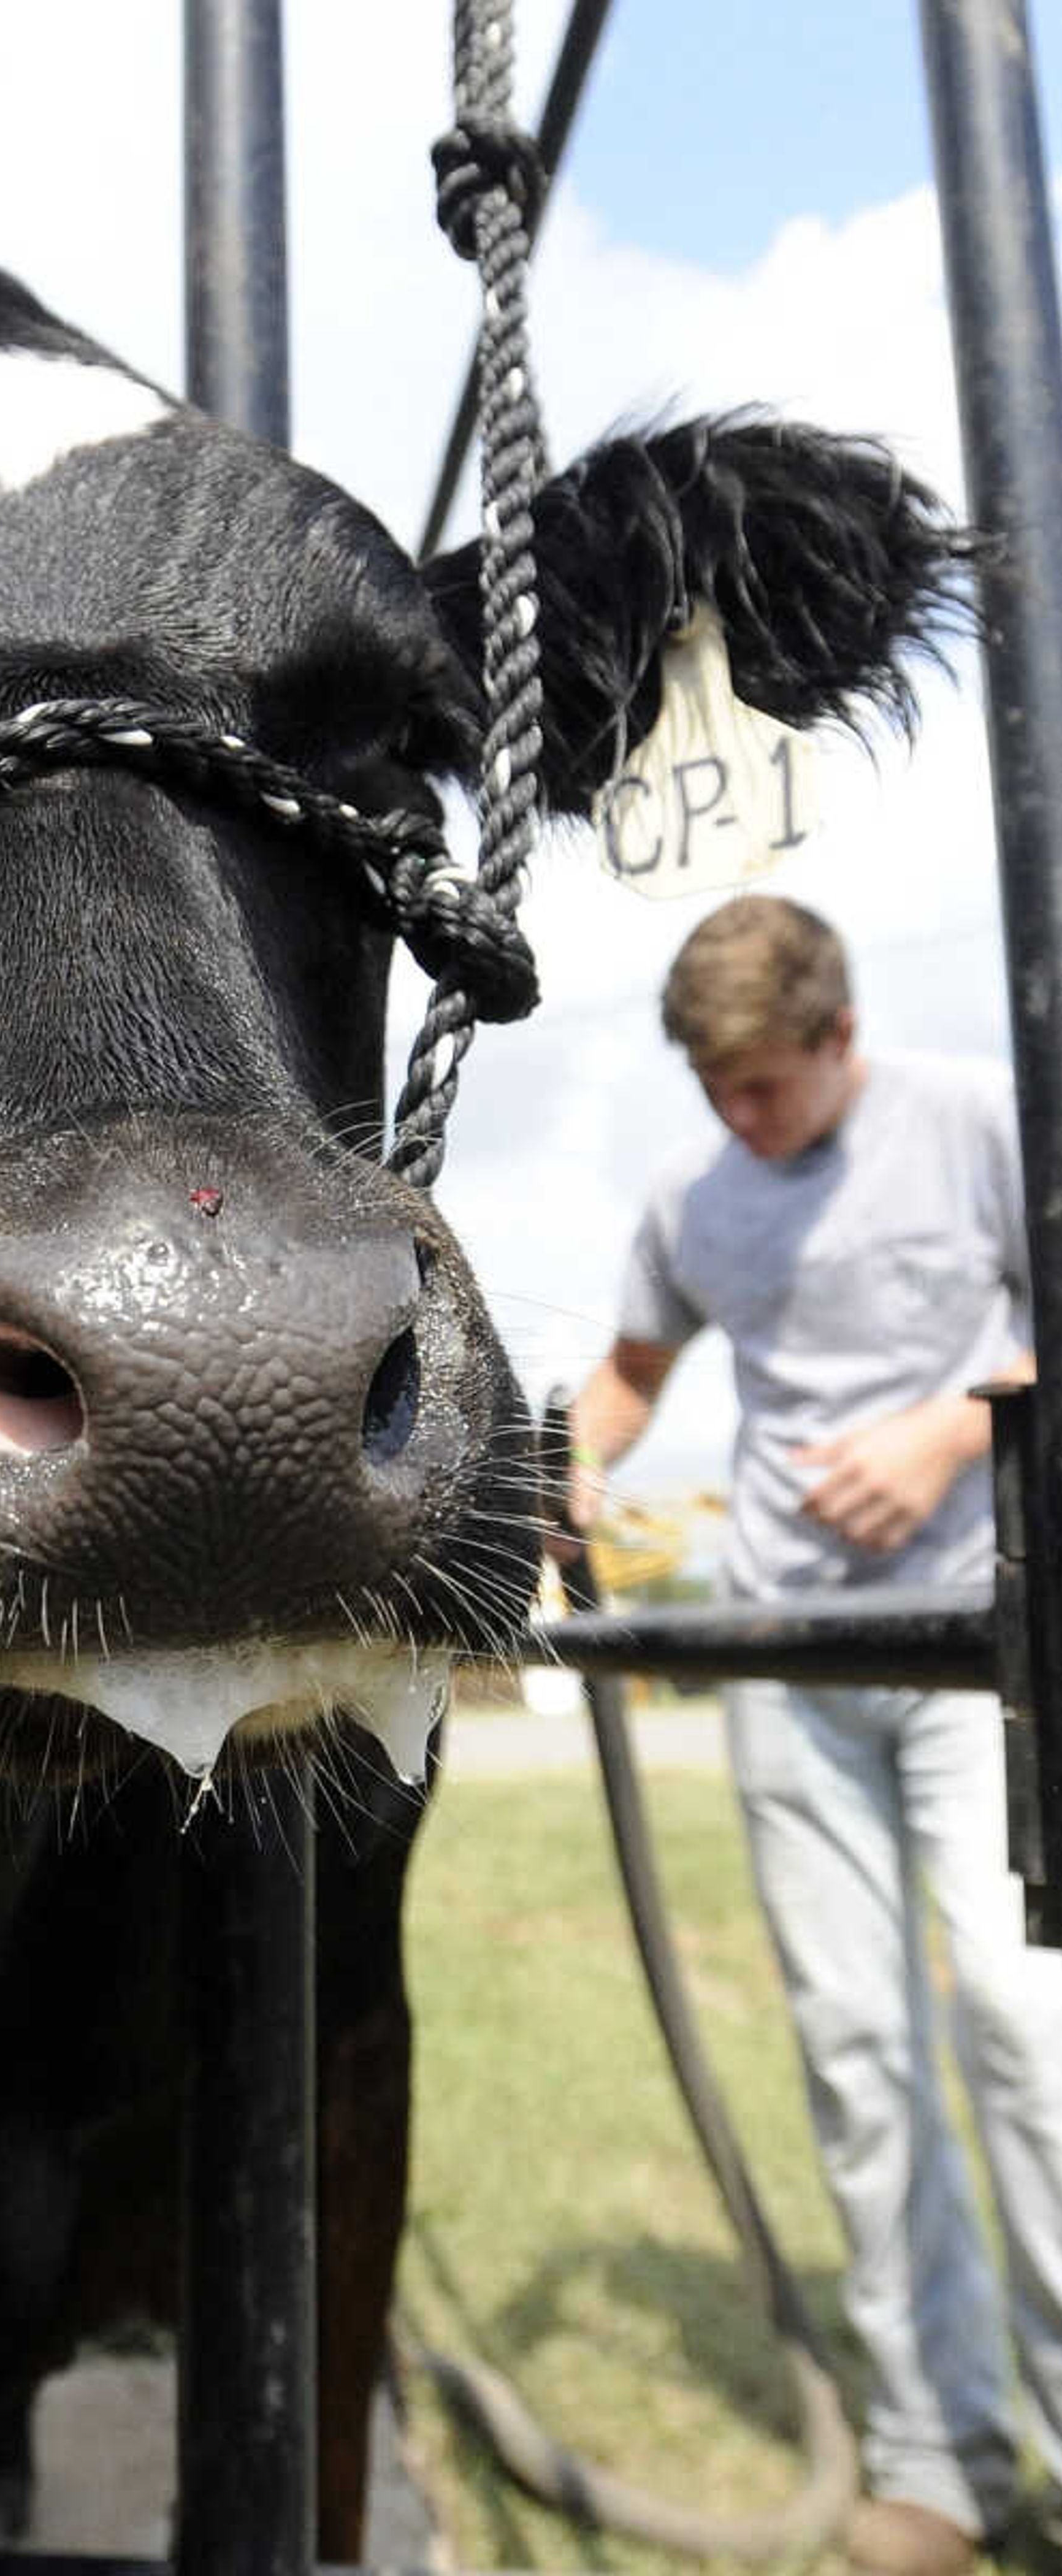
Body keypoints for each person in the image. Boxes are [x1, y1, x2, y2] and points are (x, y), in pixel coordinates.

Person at [564, 893, 1062, 2576]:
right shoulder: (692, 1195)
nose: (739, 1119)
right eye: (715, 1089)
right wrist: (581, 1449)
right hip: (790, 1652)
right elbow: (636, 1365)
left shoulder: (977, 1121)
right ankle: (940, 2453)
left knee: (1022, 2028)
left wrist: (952, 1427)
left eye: (765, 1085)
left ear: (842, 1038)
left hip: (981, 1648)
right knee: (859, 2058)